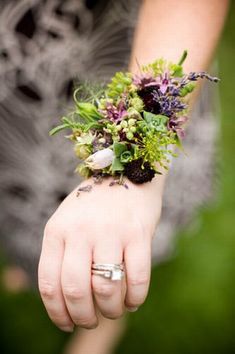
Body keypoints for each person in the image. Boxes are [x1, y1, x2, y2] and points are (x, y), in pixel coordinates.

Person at [0, 1, 229, 353]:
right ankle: (35, 263)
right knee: (23, 202)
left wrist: (130, 153)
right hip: (9, 111)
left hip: (99, 60)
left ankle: (106, 310)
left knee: (111, 232)